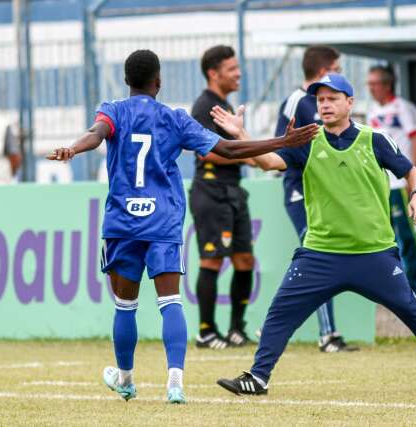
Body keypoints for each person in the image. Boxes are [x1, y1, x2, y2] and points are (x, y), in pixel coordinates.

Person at [45, 49, 319, 404]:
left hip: (123, 223)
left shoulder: (112, 110)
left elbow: (96, 135)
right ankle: (175, 383)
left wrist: (72, 149)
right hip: (161, 222)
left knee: (125, 305)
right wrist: (283, 141)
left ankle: (125, 379)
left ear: (127, 81)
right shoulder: (175, 119)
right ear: (159, 82)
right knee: (170, 300)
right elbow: (229, 150)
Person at [212, 74, 416, 395]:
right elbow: (268, 162)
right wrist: (242, 134)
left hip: (373, 253)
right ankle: (258, 378)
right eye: (320, 99)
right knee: (279, 314)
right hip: (320, 253)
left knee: (412, 311)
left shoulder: (375, 139)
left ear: (350, 103)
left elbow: (410, 171)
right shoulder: (305, 140)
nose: (326, 104)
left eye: (333, 98)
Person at [274, 45, 357, 353]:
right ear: (325, 71)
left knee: (324, 258)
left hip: (326, 194)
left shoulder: (324, 102)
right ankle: (327, 334)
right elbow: (284, 147)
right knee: (316, 258)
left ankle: (281, 318)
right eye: (338, 67)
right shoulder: (300, 102)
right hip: (302, 193)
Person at [190, 45, 256, 349]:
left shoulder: (225, 106)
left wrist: (249, 156)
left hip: (233, 191)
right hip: (212, 191)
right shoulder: (205, 106)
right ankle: (206, 330)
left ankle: (236, 329)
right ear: (213, 74)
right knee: (213, 259)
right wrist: (249, 157)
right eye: (232, 68)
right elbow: (208, 153)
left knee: (244, 259)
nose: (238, 73)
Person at [367, 65, 416, 294]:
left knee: (407, 234)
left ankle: (413, 284)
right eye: (368, 84)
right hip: (381, 184)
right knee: (384, 235)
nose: (371, 89)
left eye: (374, 84)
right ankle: (389, 284)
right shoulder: (371, 111)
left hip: (401, 182)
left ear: (386, 84)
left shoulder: (404, 109)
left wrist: (414, 174)